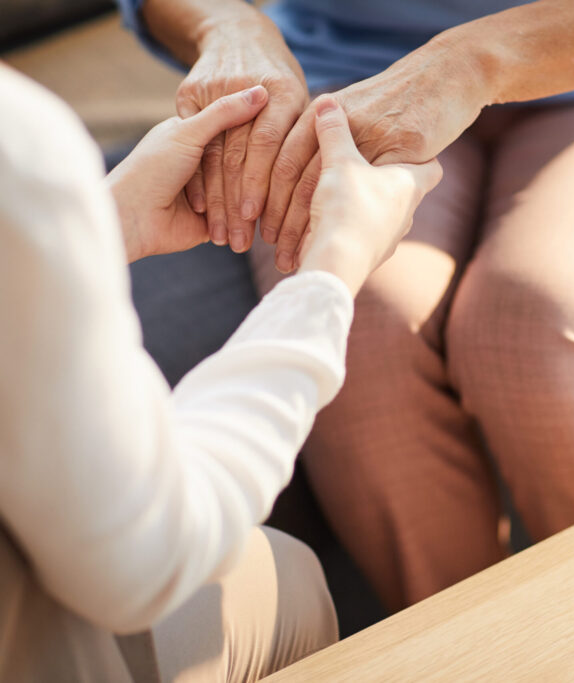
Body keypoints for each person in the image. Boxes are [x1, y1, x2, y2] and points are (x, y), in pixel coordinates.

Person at [121, 0, 574, 611]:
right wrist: (228, 27)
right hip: (351, 78)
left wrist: (465, 62)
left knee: (537, 329)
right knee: (355, 330)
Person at [0, 64, 440, 681]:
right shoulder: (20, 143)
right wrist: (332, 269)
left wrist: (103, 222)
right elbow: (146, 560)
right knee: (283, 585)